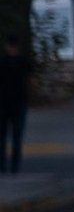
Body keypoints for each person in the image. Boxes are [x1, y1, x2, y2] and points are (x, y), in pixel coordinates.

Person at [0, 19, 32, 177]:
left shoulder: (2, 62)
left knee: (2, 137)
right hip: (19, 103)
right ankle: (15, 167)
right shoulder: (24, 63)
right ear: (18, 45)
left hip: (3, 103)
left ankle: (2, 166)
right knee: (17, 138)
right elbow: (31, 81)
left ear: (6, 45)